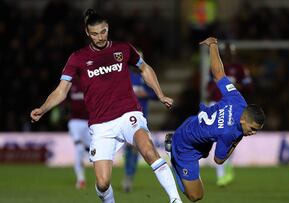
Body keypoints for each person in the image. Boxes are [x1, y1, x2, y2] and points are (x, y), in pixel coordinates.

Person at [30, 9, 182, 203]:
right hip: (101, 125)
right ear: (87, 33)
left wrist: (160, 94)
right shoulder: (77, 58)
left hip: (129, 114)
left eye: (103, 32)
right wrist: (43, 109)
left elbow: (144, 68)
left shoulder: (123, 49)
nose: (100, 37)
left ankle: (175, 200)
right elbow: (61, 91)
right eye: (95, 34)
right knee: (102, 183)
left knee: (149, 150)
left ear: (107, 28)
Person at [165, 37, 265, 202]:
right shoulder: (231, 133)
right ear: (243, 120)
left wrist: (213, 45)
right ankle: (172, 152)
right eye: (252, 129)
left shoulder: (238, 100)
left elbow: (219, 74)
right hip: (186, 144)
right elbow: (218, 160)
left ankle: (176, 147)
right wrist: (237, 141)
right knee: (196, 196)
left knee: (207, 144)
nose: (253, 133)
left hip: (195, 124)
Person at [207, 42, 253, 187]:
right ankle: (221, 175)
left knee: (228, 139)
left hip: (232, 108)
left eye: (230, 52)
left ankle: (227, 168)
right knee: (218, 139)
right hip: (216, 104)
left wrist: (235, 89)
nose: (227, 54)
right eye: (224, 52)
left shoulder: (239, 68)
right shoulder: (214, 67)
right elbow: (209, 84)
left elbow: (249, 86)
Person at [122, 68, 157, 192]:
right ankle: (127, 175)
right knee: (129, 148)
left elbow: (155, 94)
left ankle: (129, 176)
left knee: (137, 149)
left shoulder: (145, 77)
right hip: (126, 117)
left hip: (142, 118)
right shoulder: (124, 75)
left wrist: (146, 94)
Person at [67, 78, 91, 189]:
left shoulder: (91, 80)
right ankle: (81, 179)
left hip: (89, 122)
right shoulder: (70, 83)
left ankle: (103, 180)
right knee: (79, 148)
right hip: (75, 121)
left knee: (93, 151)